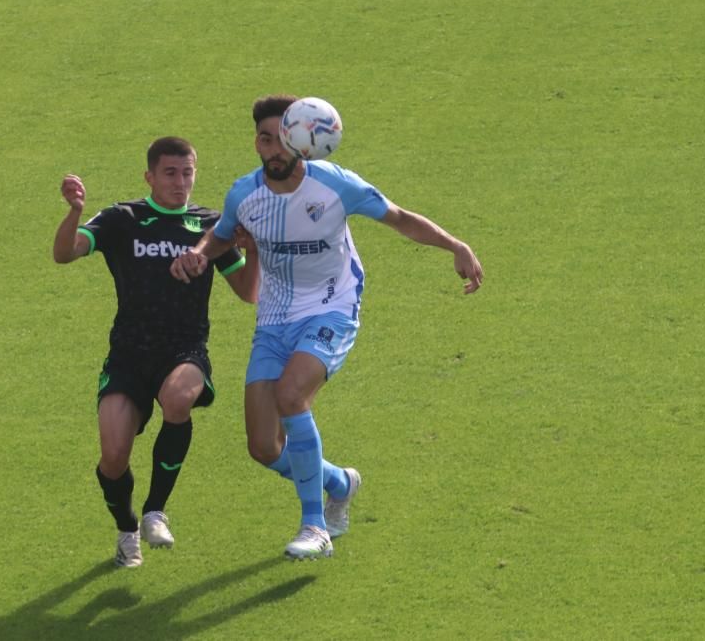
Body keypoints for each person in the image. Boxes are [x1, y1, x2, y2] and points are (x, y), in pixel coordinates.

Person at [171, 95, 483, 560]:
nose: (273, 148)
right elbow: (219, 237)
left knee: (292, 396)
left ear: (301, 141)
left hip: (332, 308)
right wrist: (199, 254)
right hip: (275, 319)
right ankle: (340, 482)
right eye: (264, 138)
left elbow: (400, 218)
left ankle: (314, 526)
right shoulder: (244, 194)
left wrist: (456, 245)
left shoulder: (335, 186)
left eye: (281, 138)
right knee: (262, 446)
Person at [54, 136, 259, 568]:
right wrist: (74, 213)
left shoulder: (212, 227)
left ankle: (155, 511)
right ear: (149, 176)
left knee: (178, 398)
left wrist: (253, 249)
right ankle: (127, 529)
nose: (180, 182)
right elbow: (64, 254)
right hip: (128, 355)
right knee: (112, 458)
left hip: (185, 350)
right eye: (170, 173)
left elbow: (248, 292)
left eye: (187, 172)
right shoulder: (122, 219)